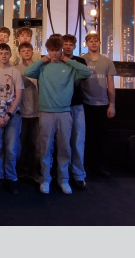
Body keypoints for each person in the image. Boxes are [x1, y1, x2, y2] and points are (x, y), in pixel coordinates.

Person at [25, 36, 91, 195]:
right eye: (52, 50)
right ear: (48, 50)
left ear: (61, 50)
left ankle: (63, 179)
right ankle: (45, 179)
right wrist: (43, 60)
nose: (54, 53)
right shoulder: (43, 67)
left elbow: (86, 72)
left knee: (64, 147)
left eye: (57, 50)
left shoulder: (69, 67)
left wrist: (68, 60)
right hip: (46, 112)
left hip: (64, 112)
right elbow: (28, 71)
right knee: (46, 148)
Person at [0, 43, 24, 195]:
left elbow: (18, 96)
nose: (3, 55)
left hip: (12, 115)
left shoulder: (15, 72)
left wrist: (8, 115)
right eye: (1, 53)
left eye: (6, 53)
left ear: (10, 54)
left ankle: (11, 177)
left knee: (11, 148)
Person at [80, 32, 116, 178]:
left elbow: (111, 84)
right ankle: (86, 165)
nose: (93, 43)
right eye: (91, 40)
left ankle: (99, 165)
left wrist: (112, 104)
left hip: (102, 104)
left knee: (101, 137)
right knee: (86, 136)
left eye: (96, 40)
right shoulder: (81, 60)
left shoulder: (107, 61)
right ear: (86, 43)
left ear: (100, 43)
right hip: (85, 104)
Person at [62, 33, 89, 189]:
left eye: (70, 44)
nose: (67, 46)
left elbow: (84, 75)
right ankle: (63, 174)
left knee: (78, 140)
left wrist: (68, 61)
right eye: (65, 44)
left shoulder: (80, 61)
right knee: (63, 142)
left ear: (74, 46)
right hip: (62, 106)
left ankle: (78, 174)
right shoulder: (56, 61)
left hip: (77, 105)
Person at [15, 41, 41, 181]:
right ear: (19, 53)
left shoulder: (39, 67)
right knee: (21, 142)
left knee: (34, 143)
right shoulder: (16, 69)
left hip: (37, 111)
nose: (26, 52)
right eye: (23, 50)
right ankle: (20, 169)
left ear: (32, 52)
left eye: (28, 50)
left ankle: (32, 170)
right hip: (22, 111)